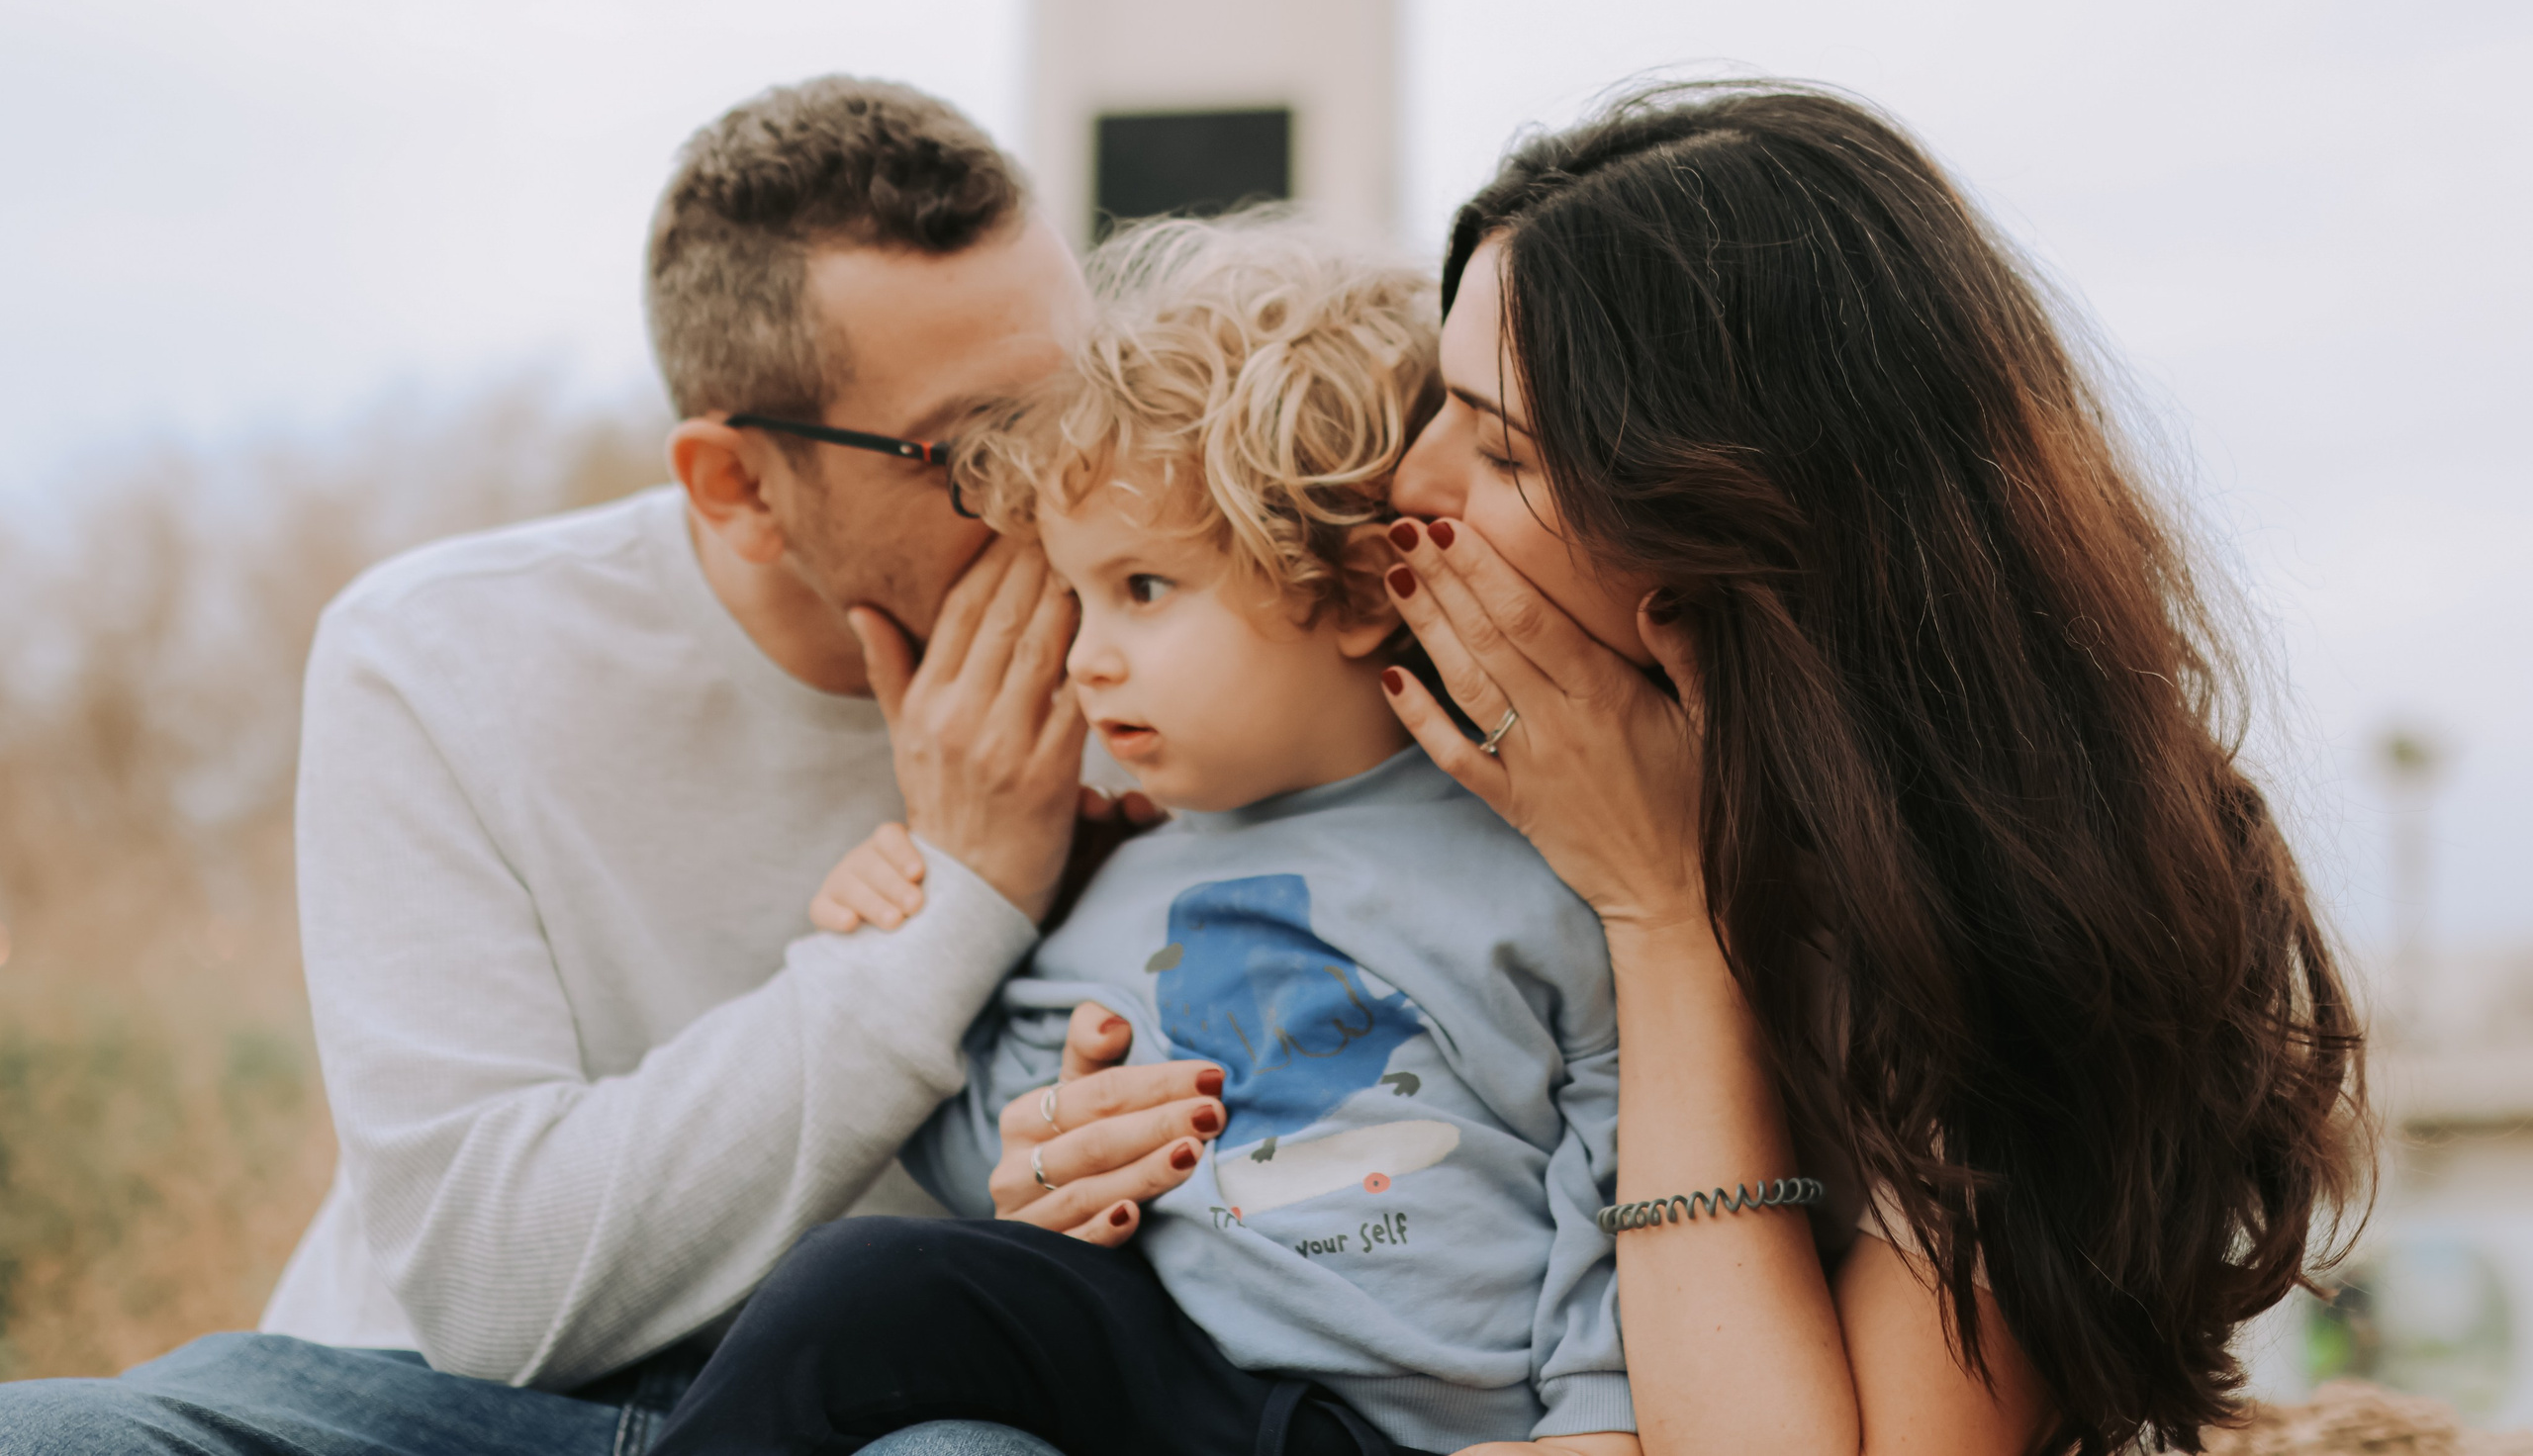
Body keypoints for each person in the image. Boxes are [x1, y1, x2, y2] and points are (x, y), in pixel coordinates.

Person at [1010, 83, 2369, 1456]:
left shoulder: (2011, 916)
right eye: (1437, 400)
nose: (1406, 484)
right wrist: (1085, 1154)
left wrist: (1664, 917)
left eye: (1500, 444)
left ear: (1726, 519)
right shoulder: (1408, 765)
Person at [0, 77, 1211, 1456]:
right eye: (978, 446)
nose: (1058, 486)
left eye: (1077, 403)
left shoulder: (1185, 661)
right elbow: (493, 1289)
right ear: (736, 485)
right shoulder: (441, 654)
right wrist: (966, 892)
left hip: (889, 1407)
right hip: (440, 1403)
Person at [646, 214, 1641, 1456]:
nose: (1084, 652)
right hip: (1169, 1389)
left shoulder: (1540, 848)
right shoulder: (1118, 877)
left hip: (1420, 1435)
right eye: (1073, 594)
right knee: (864, 1283)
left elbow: (1622, 1164)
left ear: (1343, 585)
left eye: (1143, 590)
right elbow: (987, 1162)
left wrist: (1597, 1421)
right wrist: (912, 921)